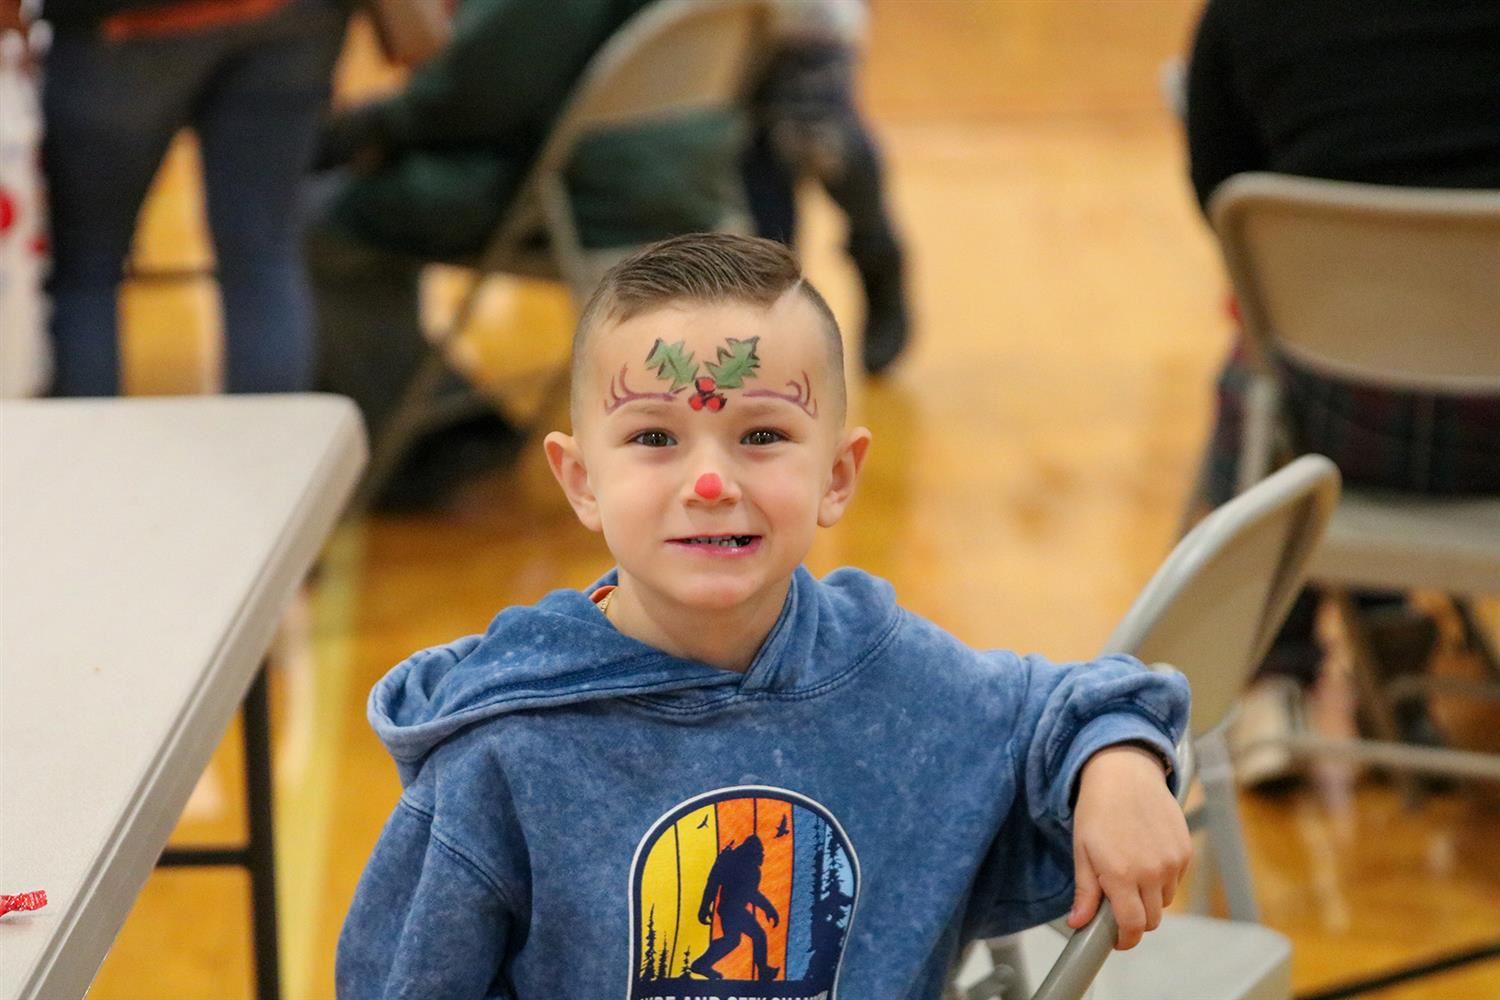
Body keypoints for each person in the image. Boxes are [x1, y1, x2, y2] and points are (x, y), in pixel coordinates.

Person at [336, 233, 1192, 997]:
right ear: (580, 480)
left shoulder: (898, 682)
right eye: (654, 439)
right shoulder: (502, 748)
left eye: (762, 436)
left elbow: (1058, 706)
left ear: (838, 476)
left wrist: (1115, 758)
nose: (711, 483)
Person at [1183, 0, 1500, 786]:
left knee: (1263, 365)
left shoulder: (1248, 17)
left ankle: (1267, 673)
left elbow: (1222, 196)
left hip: (1345, 426)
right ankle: (1386, 639)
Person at [308, 0, 748, 509]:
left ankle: (423, 441)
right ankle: (441, 417)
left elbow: (474, 92)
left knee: (311, 217)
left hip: (579, 190)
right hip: (686, 175)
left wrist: (361, 129)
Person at [41, 0, 346, 395]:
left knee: (86, 274)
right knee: (264, 257)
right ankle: (270, 452)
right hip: (295, 18)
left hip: (126, 25)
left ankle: (83, 452)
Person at [742, 0, 911, 376]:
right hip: (738, 45)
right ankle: (778, 339)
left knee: (844, 165)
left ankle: (880, 260)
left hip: (816, 35)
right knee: (768, 229)